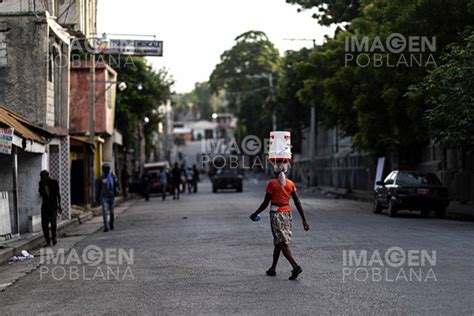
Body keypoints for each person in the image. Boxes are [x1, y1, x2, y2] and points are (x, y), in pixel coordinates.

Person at [250, 163, 310, 280]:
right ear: (286, 172)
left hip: (276, 214)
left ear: (275, 172)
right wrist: (304, 220)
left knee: (281, 242)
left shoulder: (272, 184)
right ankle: (273, 268)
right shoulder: (291, 183)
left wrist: (255, 213)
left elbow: (266, 202)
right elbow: (297, 202)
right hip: (287, 214)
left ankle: (295, 266)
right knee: (278, 241)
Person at [39, 170, 61, 246]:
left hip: (53, 206)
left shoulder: (54, 183)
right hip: (45, 206)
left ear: (47, 176)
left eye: (43, 177)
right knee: (44, 225)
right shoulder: (41, 184)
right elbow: (41, 194)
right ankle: (48, 240)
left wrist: (59, 206)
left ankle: (54, 237)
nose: (41, 178)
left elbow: (58, 195)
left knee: (53, 223)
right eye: (41, 177)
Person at [96, 163, 119, 232]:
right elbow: (98, 188)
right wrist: (97, 197)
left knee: (112, 212)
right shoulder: (101, 178)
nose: (107, 170)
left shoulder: (112, 176)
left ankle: (111, 224)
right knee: (105, 211)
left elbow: (117, 184)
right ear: (103, 170)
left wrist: (116, 183)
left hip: (111, 197)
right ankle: (106, 226)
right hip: (104, 197)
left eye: (108, 168)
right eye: (105, 169)